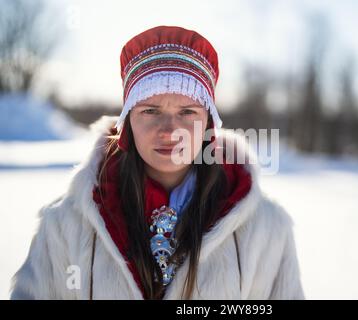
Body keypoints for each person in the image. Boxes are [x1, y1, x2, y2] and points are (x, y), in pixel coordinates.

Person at [10, 25, 305, 300]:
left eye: (188, 112)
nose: (169, 130)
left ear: (208, 125)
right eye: (150, 111)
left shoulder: (267, 230)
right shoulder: (65, 225)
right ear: (128, 122)